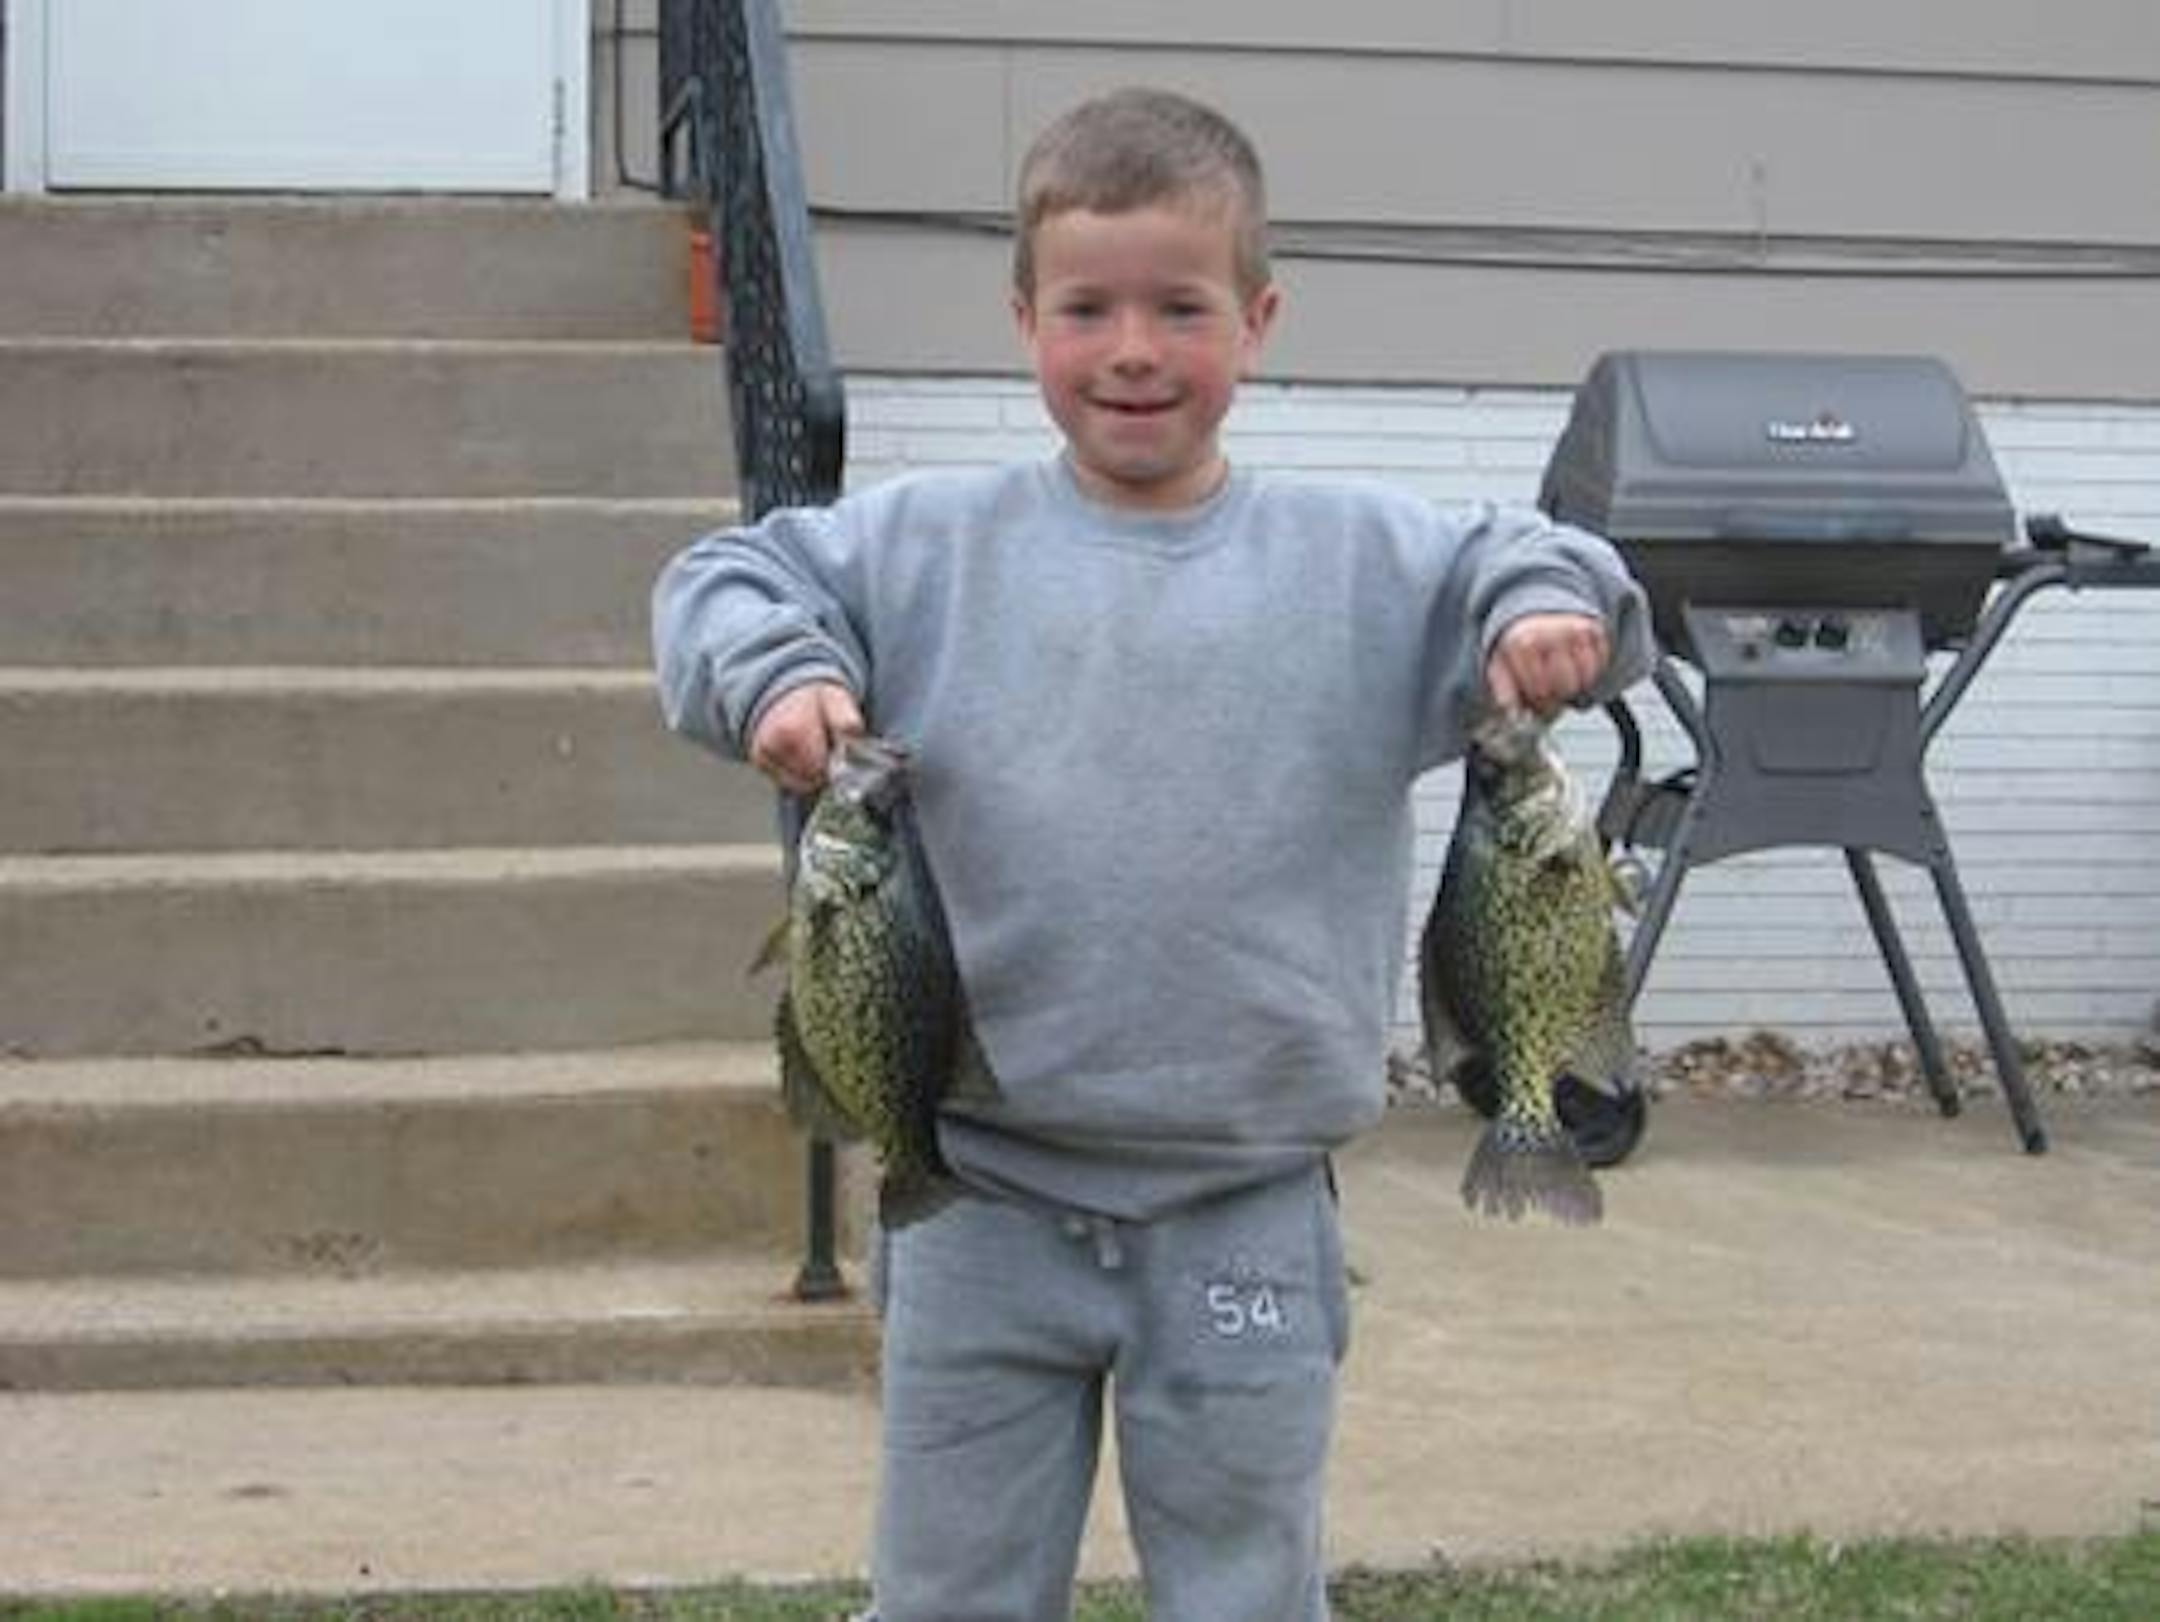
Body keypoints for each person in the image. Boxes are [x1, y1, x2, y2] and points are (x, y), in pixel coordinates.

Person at [654, 85, 1651, 1622]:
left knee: (1246, 1593)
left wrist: (1539, 608)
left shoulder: (1361, 562)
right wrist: (774, 673)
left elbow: (1550, 564)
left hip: (1246, 1203)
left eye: (1180, 307)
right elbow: (724, 577)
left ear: (1256, 320)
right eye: (1088, 307)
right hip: (973, 1201)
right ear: (1022, 318)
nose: (1133, 349)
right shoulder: (922, 547)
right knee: (947, 1597)